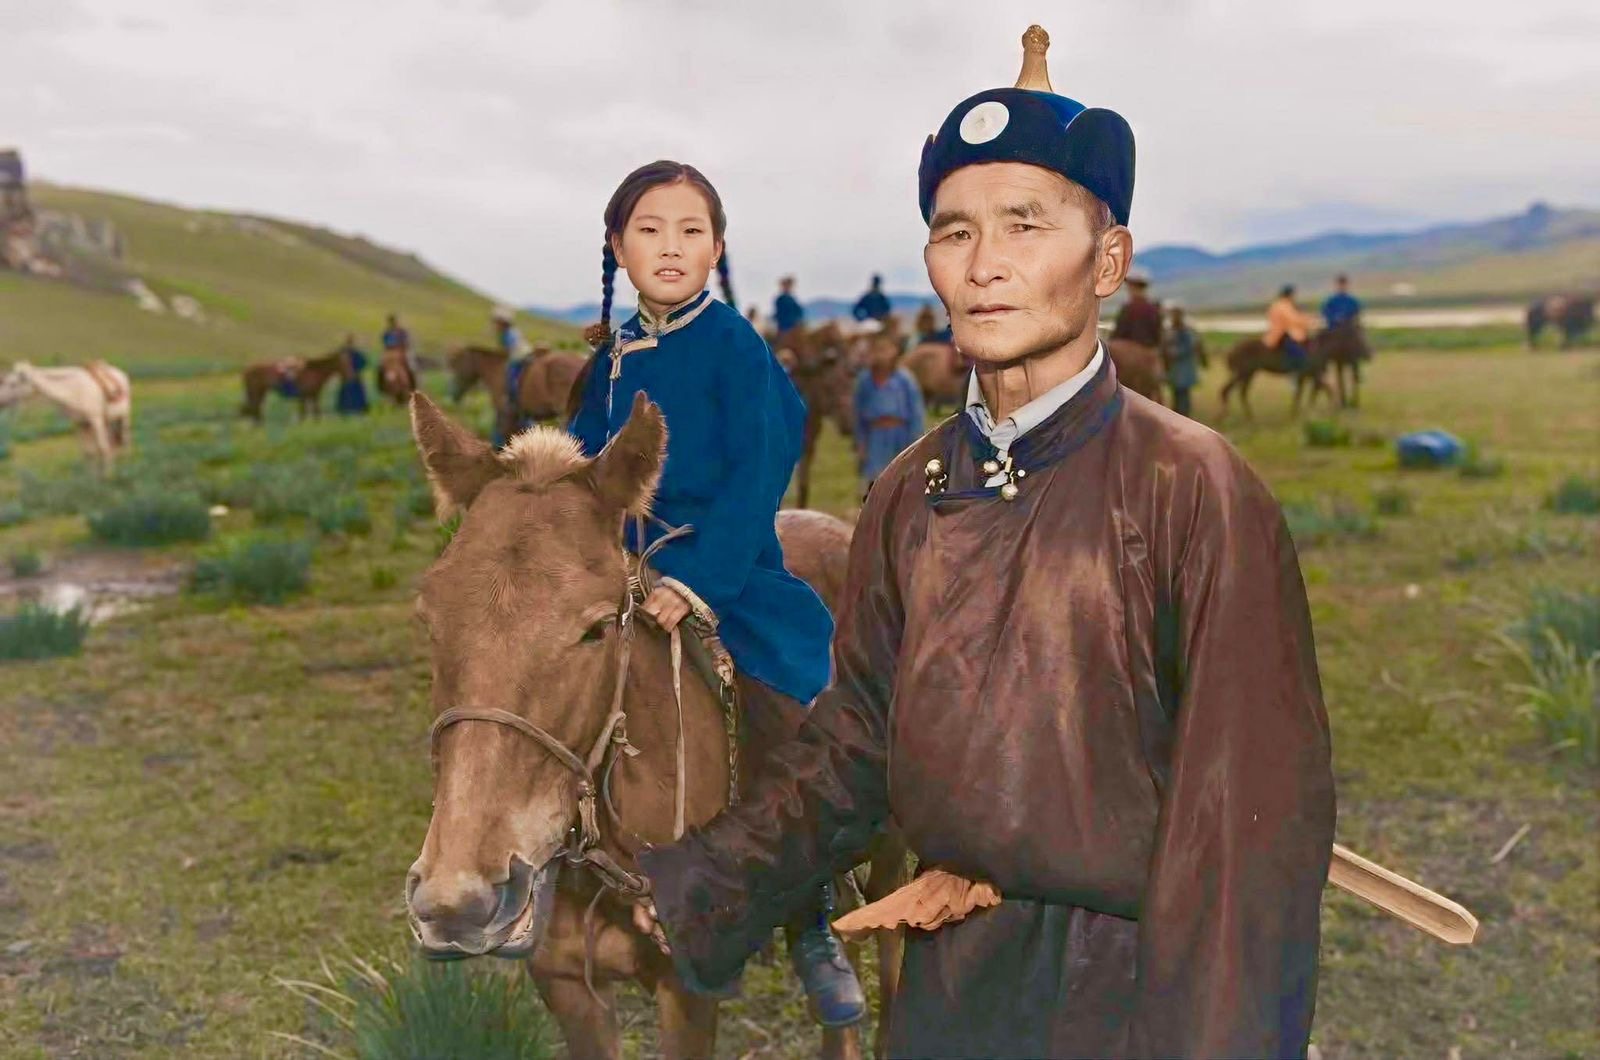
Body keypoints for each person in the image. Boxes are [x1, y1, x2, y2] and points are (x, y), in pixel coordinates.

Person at [633, 25, 1334, 1059]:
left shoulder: (1194, 488)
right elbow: (858, 740)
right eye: (954, 231)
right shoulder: (907, 494)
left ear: (1107, 261)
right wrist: (708, 881)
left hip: (1132, 993)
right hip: (950, 978)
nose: (985, 265)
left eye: (1025, 225)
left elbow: (1245, 837)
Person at [566, 159, 865, 1028]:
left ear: (717, 249)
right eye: (649, 230)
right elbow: (583, 467)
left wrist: (698, 583)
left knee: (789, 714)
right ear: (617, 246)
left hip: (725, 569)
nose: (671, 246)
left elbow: (760, 467)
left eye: (690, 231)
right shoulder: (612, 358)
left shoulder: (735, 344)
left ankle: (810, 911)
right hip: (624, 569)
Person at [852, 331, 925, 499]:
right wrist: (861, 443)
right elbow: (859, 415)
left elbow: (916, 412)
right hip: (875, 437)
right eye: (876, 349)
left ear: (894, 351)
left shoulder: (904, 379)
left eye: (885, 349)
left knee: (902, 480)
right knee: (874, 482)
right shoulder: (865, 381)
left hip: (900, 435)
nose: (881, 355)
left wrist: (915, 442)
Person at [1161, 301, 1207, 417]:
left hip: (1184, 366)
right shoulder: (1170, 330)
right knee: (1176, 393)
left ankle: (1184, 416)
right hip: (1175, 368)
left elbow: (1189, 347)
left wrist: (1175, 352)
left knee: (1183, 395)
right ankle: (1177, 415)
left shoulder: (1185, 330)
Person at [1266, 283, 1316, 376]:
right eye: (1293, 295)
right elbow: (1294, 319)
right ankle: (1296, 372)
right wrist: (1309, 322)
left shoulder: (1279, 305)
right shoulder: (1283, 306)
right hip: (1282, 335)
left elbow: (1296, 317)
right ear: (1289, 295)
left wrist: (1308, 318)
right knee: (1301, 355)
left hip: (1280, 333)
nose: (1294, 297)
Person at [1111, 266, 1162, 346]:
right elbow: (1158, 336)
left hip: (1130, 350)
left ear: (1133, 286)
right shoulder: (1154, 308)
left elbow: (1118, 334)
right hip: (1150, 351)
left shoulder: (1129, 308)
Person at [334, 333, 369, 415]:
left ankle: (357, 408)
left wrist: (357, 370)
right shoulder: (344, 352)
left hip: (354, 375)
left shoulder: (353, 352)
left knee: (355, 390)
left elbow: (363, 362)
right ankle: (346, 408)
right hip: (348, 375)